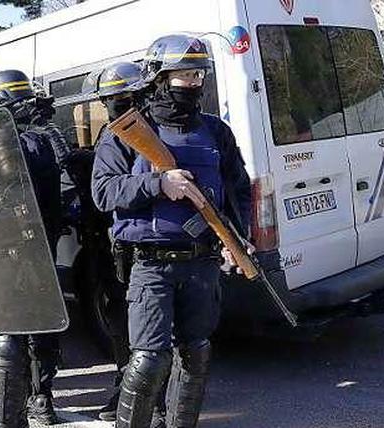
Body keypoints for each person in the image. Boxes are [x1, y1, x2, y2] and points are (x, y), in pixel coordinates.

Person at [91, 35, 252, 428]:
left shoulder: (216, 132)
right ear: (159, 77)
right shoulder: (126, 131)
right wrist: (158, 184)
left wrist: (237, 239)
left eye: (198, 74)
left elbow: (238, 189)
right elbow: (103, 191)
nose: (193, 82)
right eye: (183, 74)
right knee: (147, 361)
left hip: (203, 263)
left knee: (196, 355)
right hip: (150, 265)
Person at [0, 69, 66, 427]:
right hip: (44, 244)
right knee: (42, 323)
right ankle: (43, 396)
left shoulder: (8, 143)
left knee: (12, 326)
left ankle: (22, 397)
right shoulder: (49, 136)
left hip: (12, 246)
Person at [87, 61, 145, 423]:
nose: (117, 104)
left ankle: (133, 395)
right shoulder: (114, 135)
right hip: (119, 243)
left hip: (134, 243)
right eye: (113, 99)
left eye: (121, 97)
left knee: (132, 324)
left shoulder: (130, 132)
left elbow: (107, 192)